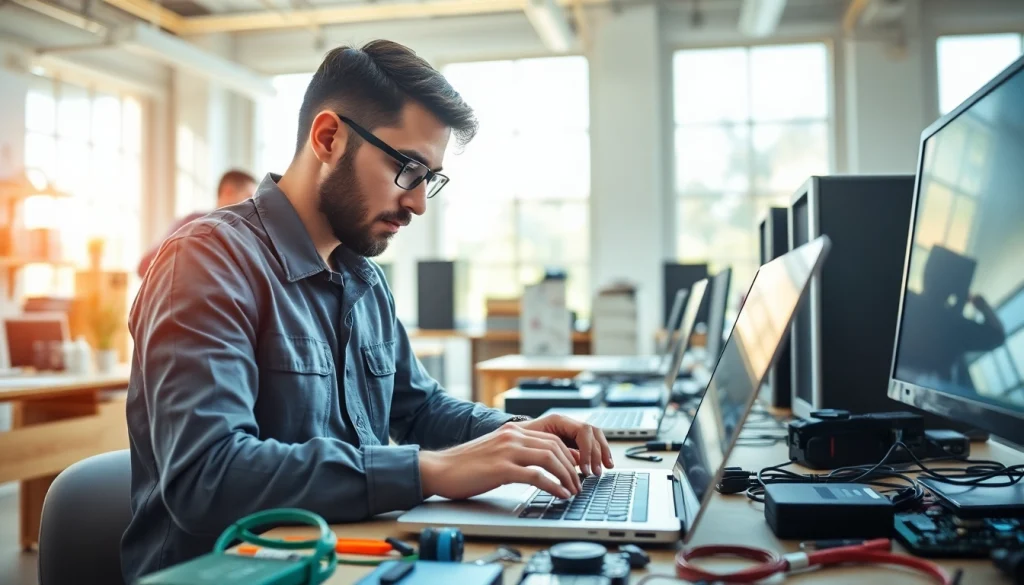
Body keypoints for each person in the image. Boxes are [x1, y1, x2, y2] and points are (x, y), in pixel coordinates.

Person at [121, 40, 613, 581]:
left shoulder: (363, 277)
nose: (419, 202)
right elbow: (208, 478)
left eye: (431, 178)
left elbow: (419, 409)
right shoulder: (207, 260)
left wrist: (521, 434)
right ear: (328, 137)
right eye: (408, 168)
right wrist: (430, 470)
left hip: (347, 559)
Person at [135, 169, 257, 278]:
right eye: (248, 197)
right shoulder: (193, 222)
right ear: (228, 191)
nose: (252, 206)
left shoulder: (242, 235)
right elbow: (145, 267)